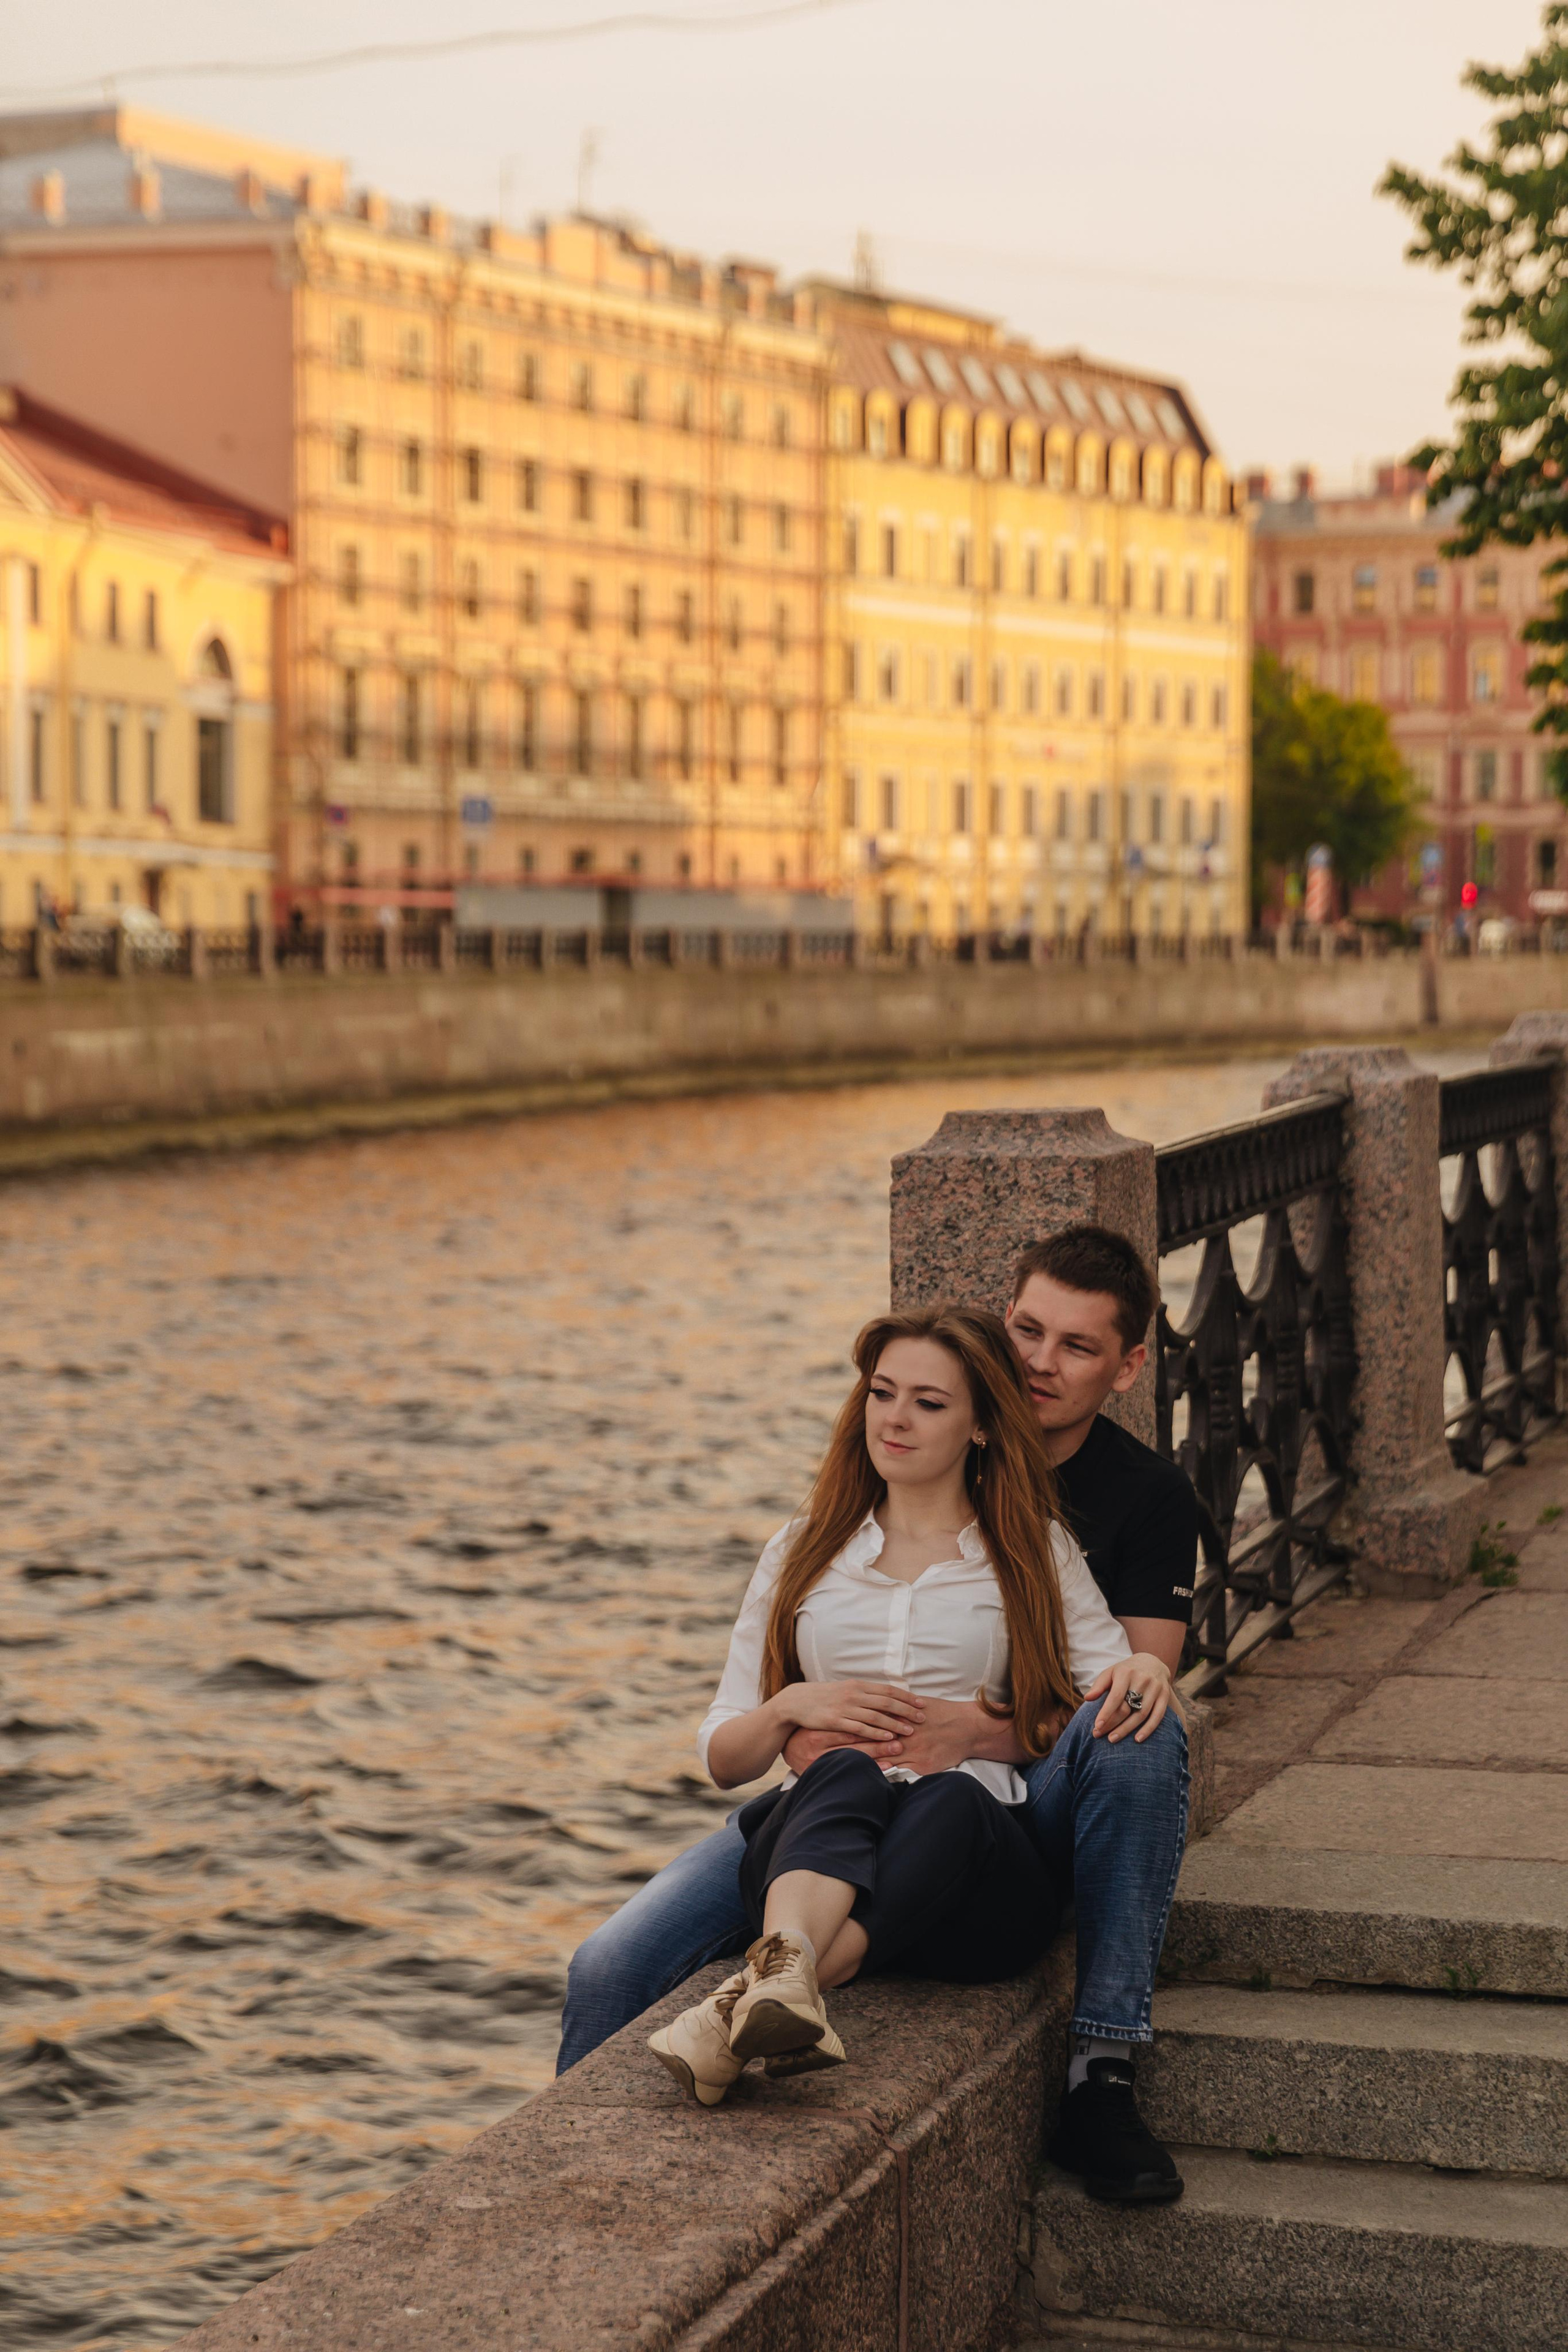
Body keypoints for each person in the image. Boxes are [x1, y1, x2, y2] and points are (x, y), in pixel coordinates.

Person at [559, 1226, 1197, 2203]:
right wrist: (792, 1709)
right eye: (883, 1394)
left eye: (930, 1402)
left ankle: (1096, 2068)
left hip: (980, 1821)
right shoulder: (805, 1548)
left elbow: (1112, 1696)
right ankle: (564, 2171)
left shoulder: (1048, 1539)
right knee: (611, 1961)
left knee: (964, 1794)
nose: (1040, 1361)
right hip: (825, 1814)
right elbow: (726, 1748)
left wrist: (983, 1730)